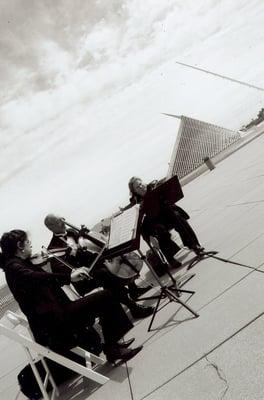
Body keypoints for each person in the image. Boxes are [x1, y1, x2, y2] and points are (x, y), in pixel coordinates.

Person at [0, 229, 143, 363]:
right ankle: (113, 350)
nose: (31, 245)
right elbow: (38, 277)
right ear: (20, 246)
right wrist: (69, 276)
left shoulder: (18, 264)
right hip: (56, 325)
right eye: (28, 242)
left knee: (102, 296)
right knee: (105, 297)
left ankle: (113, 344)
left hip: (58, 315)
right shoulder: (14, 268)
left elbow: (42, 278)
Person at [44, 214, 154, 319]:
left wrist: (86, 235)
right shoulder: (54, 248)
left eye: (62, 218)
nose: (63, 221)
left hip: (95, 265)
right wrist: (73, 255)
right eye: (59, 221)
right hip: (85, 278)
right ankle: (133, 308)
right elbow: (63, 270)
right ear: (51, 227)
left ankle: (134, 289)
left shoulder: (71, 232)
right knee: (105, 274)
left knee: (114, 255)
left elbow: (88, 246)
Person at [127, 177, 204, 262]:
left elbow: (169, 196)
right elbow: (138, 223)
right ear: (135, 191)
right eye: (137, 187)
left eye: (141, 184)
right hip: (155, 222)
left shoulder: (154, 187)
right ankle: (173, 256)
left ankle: (194, 245)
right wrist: (150, 237)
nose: (141, 187)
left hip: (168, 214)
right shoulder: (135, 202)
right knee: (159, 230)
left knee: (177, 217)